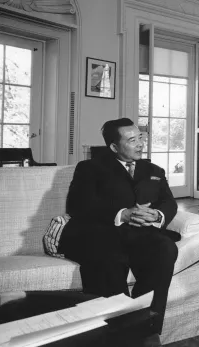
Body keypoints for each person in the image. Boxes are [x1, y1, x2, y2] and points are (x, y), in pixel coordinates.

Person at [59, 118, 179, 318]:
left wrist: (158, 215)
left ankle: (146, 322)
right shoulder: (89, 168)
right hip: (100, 233)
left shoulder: (154, 170)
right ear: (114, 147)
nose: (140, 144)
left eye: (140, 137)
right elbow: (77, 205)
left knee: (165, 248)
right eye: (132, 140)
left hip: (139, 235)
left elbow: (169, 202)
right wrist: (122, 214)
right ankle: (117, 326)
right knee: (110, 258)